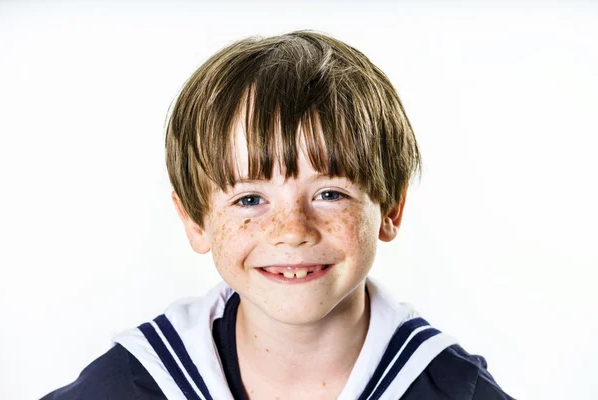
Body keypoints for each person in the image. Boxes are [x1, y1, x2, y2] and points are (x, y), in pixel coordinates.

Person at [41, 30, 514, 400]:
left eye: (330, 193)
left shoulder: (455, 391)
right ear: (194, 221)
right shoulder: (128, 386)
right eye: (249, 200)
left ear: (391, 208)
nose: (291, 231)